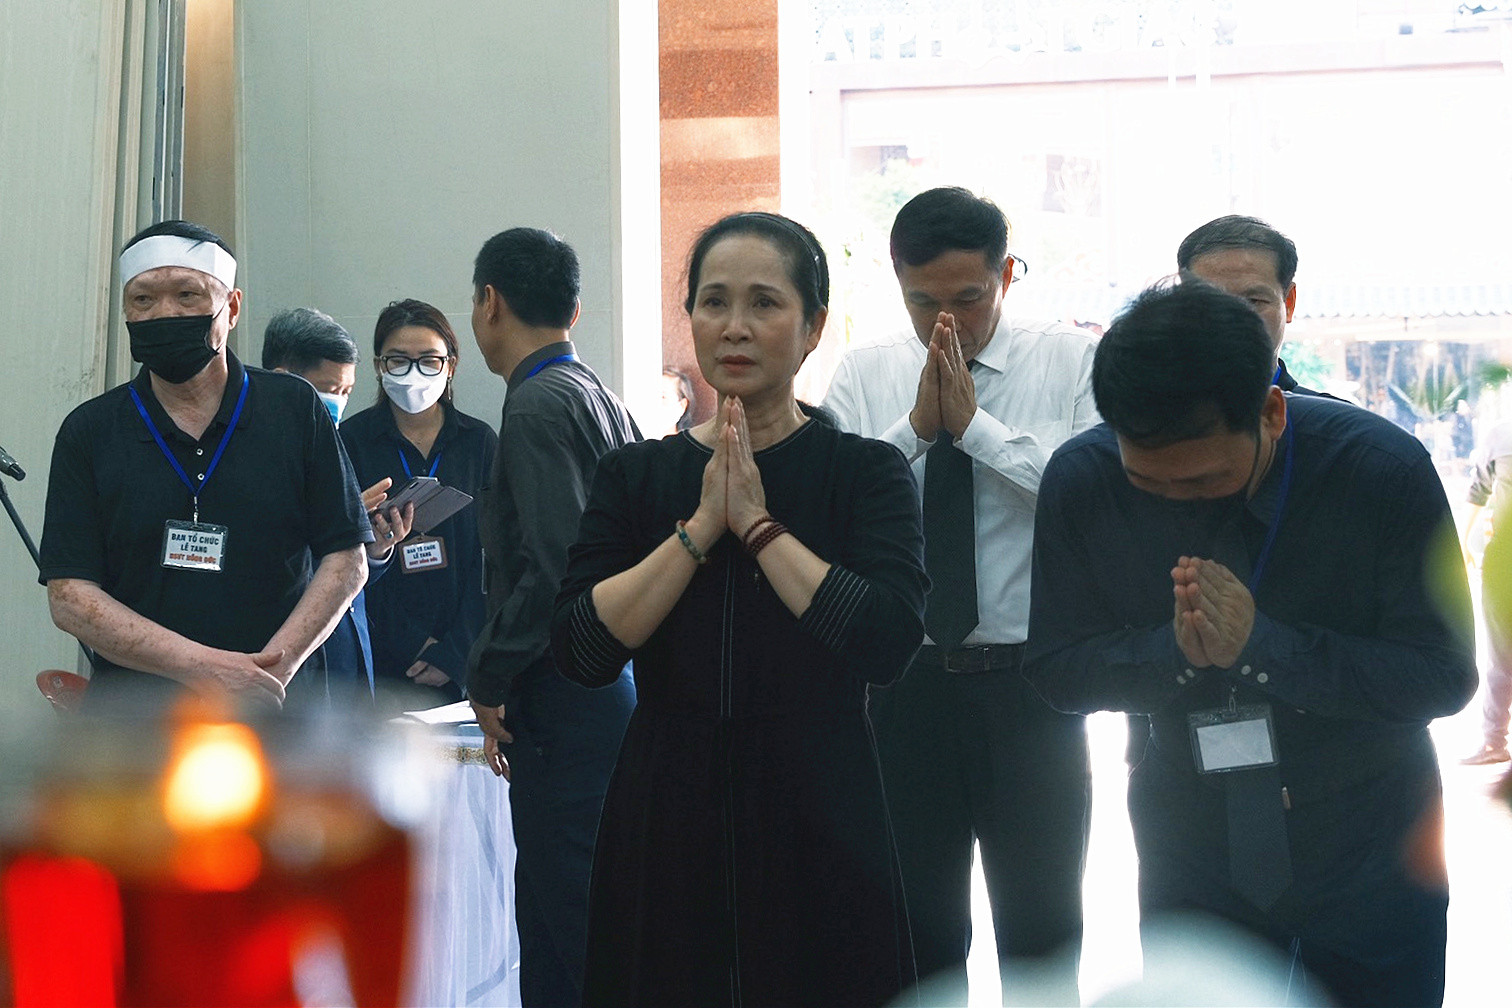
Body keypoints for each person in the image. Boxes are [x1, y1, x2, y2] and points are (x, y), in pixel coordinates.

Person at [1024, 279, 1476, 1007]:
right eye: (1148, 482)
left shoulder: (1379, 471)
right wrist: (1175, 654)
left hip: (1368, 829)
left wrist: (1262, 646)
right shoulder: (1084, 481)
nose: (1176, 497)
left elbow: (1443, 675)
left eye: (1204, 478)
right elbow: (1057, 668)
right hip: (1190, 827)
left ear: (1271, 412)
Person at [552, 211, 926, 1007]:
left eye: (765, 302)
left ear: (813, 326)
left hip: (820, 798)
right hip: (666, 798)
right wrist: (698, 530)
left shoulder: (864, 472)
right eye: (714, 301)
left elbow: (887, 641)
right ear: (689, 317)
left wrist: (757, 526)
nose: (735, 326)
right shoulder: (636, 476)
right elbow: (584, 650)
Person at [823, 186, 1096, 1002]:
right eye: (922, 301)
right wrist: (913, 432)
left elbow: (1088, 503)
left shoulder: (1070, 361)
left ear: (1007, 275)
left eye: (969, 297)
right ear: (896, 282)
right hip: (904, 688)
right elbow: (832, 515)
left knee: (1043, 929)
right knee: (915, 929)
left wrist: (976, 432)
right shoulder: (866, 371)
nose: (946, 320)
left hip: (1031, 689)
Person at [39, 220, 371, 713]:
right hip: (137, 718)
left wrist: (267, 674)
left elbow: (346, 560)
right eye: (143, 299)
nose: (163, 313)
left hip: (276, 709)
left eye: (186, 295)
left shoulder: (293, 409)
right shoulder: (90, 430)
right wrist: (208, 669)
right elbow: (70, 596)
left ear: (231, 308)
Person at [464, 228, 639, 1008]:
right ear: (574, 308)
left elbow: (555, 569)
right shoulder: (595, 393)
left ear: (489, 302)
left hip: (565, 695)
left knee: (576, 923)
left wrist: (490, 672)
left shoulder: (536, 406)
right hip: (605, 686)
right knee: (556, 918)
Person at [338, 299, 496, 714]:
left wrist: (457, 650)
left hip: (462, 661)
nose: (413, 373)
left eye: (429, 360)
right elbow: (339, 557)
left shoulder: (479, 442)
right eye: (398, 360)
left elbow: (495, 556)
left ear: (451, 365)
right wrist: (412, 643)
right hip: (381, 661)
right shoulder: (350, 442)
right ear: (379, 366)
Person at [261, 306, 417, 708]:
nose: (338, 403)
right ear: (283, 380)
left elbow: (349, 573)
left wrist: (373, 547)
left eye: (346, 392)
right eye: (329, 389)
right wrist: (334, 529)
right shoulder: (245, 460)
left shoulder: (335, 449)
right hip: (289, 678)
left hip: (349, 670)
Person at [1177, 214, 1317, 395]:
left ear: (1289, 303)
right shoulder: (1147, 408)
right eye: (1211, 301)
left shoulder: (1328, 413)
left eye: (1252, 301)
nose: (1230, 319)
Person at [1461, 417, 1512, 765]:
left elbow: (1477, 491)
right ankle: (1493, 740)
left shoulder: (1502, 434)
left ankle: (1494, 741)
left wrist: (1463, 541)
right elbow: (1477, 491)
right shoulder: (1501, 434)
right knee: (1500, 654)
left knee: (1501, 655)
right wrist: (1463, 542)